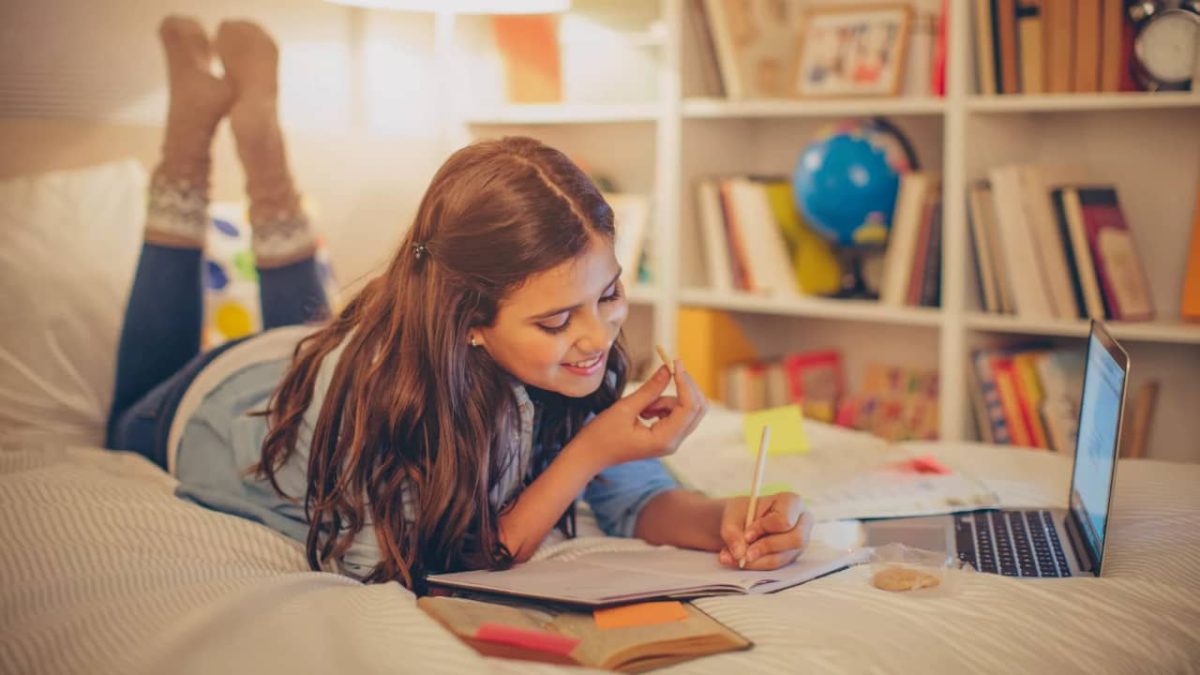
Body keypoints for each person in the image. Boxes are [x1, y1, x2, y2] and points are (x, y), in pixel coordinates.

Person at [108, 16, 815, 590]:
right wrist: (587, 452)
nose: (597, 336)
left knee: (315, 330)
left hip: (307, 353)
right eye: (555, 319)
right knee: (123, 412)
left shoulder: (569, 357)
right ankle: (187, 150)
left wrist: (733, 515)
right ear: (469, 322)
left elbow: (633, 497)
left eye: (608, 293)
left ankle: (265, 159)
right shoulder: (384, 401)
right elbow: (430, 564)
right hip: (204, 402)